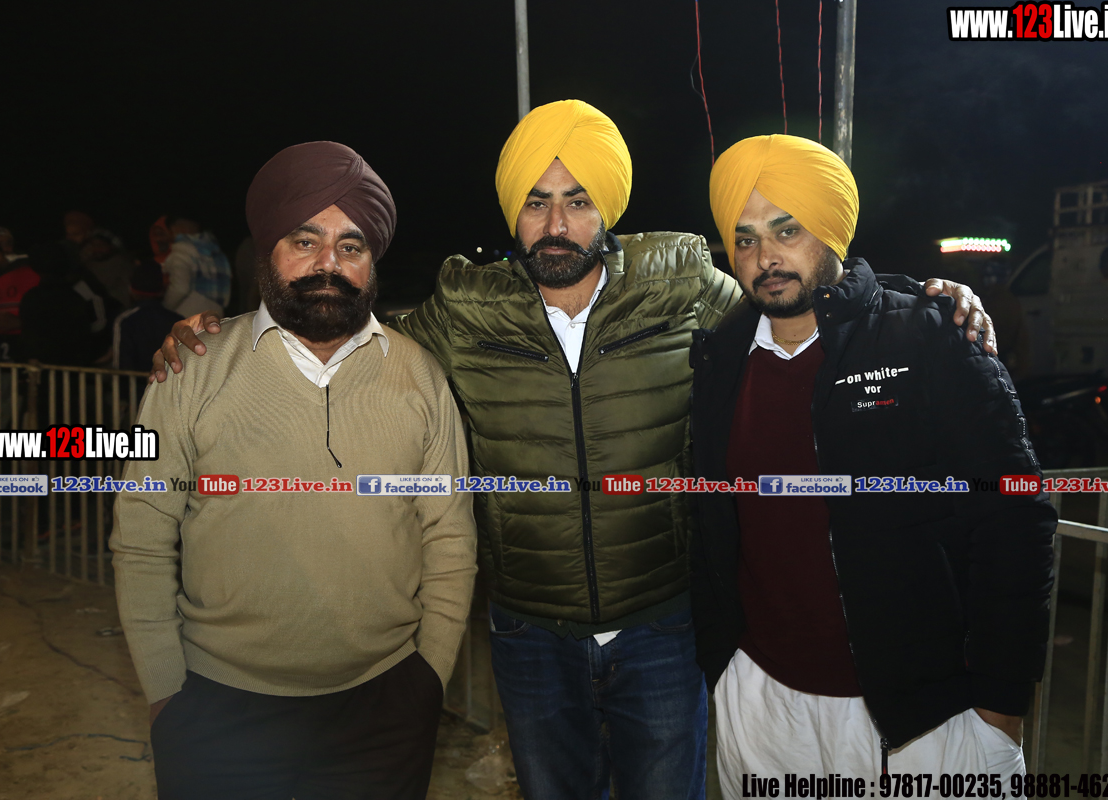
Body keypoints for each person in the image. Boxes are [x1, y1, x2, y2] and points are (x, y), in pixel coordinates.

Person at [152, 101, 994, 799]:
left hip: (662, 625)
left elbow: (795, 290)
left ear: (609, 209)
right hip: (529, 632)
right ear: (511, 212)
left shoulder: (682, 289)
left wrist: (920, 298)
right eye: (536, 202)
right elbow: (346, 330)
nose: (556, 224)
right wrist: (218, 333)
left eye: (579, 200)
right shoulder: (464, 311)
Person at [111, 141, 477, 799]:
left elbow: (449, 538)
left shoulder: (421, 377)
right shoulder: (190, 372)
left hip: (386, 709)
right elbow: (141, 538)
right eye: (305, 241)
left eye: (351, 245)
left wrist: (429, 677)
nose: (328, 264)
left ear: (373, 261)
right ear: (266, 253)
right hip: (217, 711)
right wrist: (166, 692)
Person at [689, 134, 1056, 789]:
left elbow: (1016, 521)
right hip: (762, 700)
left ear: (830, 228)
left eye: (787, 230)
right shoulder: (720, 359)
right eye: (745, 239)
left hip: (920, 716)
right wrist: (725, 668)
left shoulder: (930, 337)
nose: (766, 257)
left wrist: (1002, 706)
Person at [20, 243, 97, 366]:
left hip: (45, 366)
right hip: (73, 365)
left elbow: (30, 336)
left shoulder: (33, 297)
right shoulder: (75, 294)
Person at [112, 258, 183, 371]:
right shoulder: (177, 320)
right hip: (169, 381)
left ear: (132, 289)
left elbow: (121, 365)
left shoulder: (126, 320)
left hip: (136, 382)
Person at [161, 213, 232, 316]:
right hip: (217, 313)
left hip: (187, 315)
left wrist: (164, 309)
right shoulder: (216, 251)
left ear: (174, 228)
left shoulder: (181, 252)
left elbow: (180, 289)